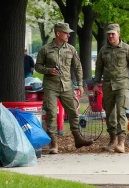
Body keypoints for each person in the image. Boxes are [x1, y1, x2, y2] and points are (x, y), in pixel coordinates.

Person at [35, 22, 93, 154]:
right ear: (58, 33)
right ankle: (53, 145)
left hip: (67, 86)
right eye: (66, 33)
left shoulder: (71, 49)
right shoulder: (45, 49)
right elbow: (38, 66)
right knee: (51, 114)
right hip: (51, 87)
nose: (68, 35)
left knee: (73, 112)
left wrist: (79, 84)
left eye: (68, 33)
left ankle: (78, 139)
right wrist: (49, 70)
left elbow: (77, 67)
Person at [93, 23, 129, 153]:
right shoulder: (103, 50)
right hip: (107, 85)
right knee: (109, 113)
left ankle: (121, 142)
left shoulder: (127, 49)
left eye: (113, 34)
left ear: (119, 34)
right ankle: (112, 140)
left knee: (121, 113)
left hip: (122, 85)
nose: (110, 36)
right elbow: (99, 69)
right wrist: (96, 84)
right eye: (108, 34)